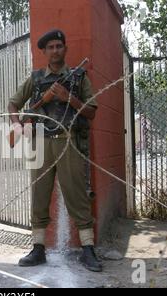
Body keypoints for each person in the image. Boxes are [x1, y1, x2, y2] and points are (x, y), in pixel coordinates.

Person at [7, 29, 102, 272]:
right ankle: (38, 248)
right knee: (39, 194)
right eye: (50, 47)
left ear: (65, 49)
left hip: (68, 141)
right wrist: (16, 125)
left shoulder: (79, 78)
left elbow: (91, 112)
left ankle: (88, 249)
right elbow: (13, 103)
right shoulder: (37, 78)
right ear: (44, 52)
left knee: (77, 194)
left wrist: (68, 97)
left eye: (59, 46)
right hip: (40, 142)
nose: (55, 50)